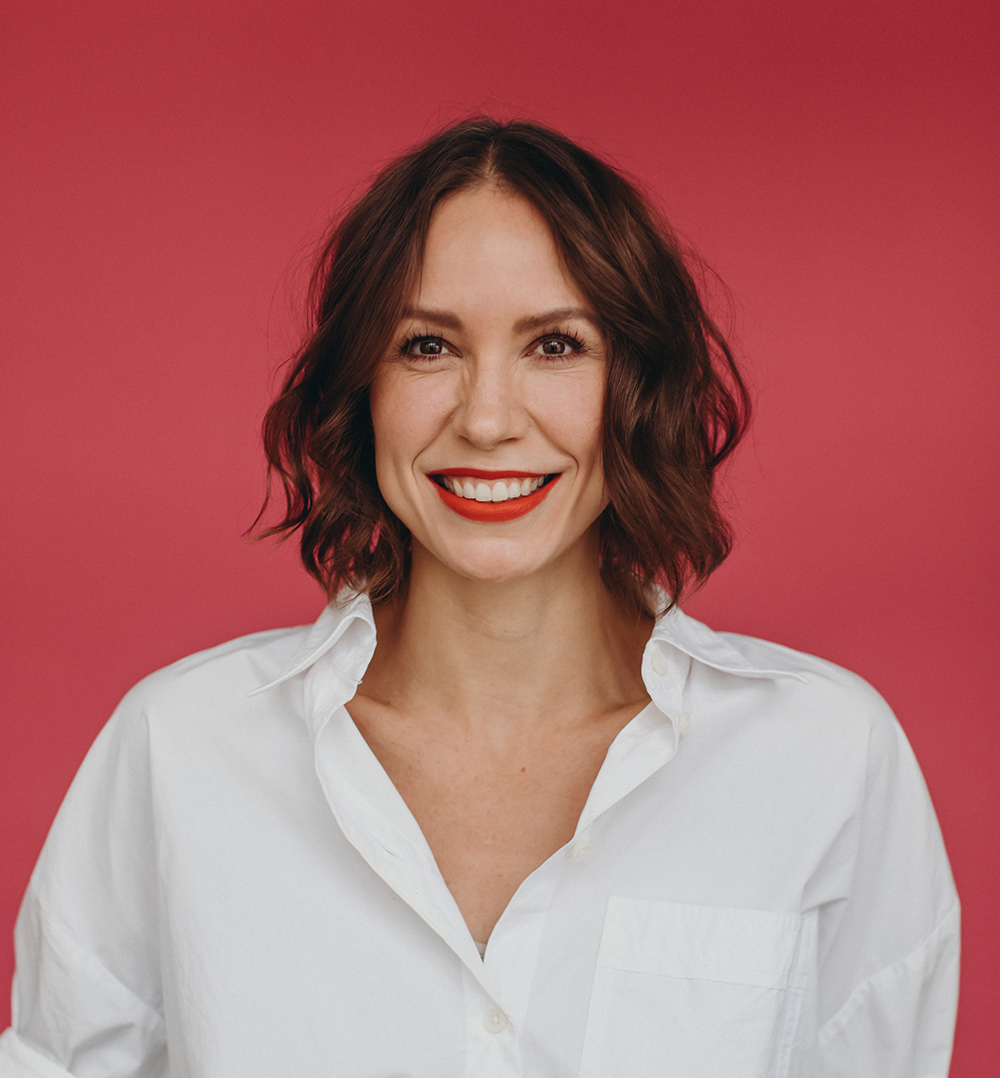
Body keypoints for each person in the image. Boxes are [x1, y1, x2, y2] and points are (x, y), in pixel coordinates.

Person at [0, 118, 959, 1078]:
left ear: (640, 385)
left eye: (556, 344)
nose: (488, 419)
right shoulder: (181, 751)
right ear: (361, 389)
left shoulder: (826, 758)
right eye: (426, 346)